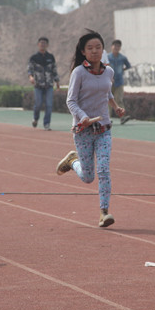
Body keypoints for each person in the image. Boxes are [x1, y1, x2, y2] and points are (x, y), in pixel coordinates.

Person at [56, 30, 125, 227]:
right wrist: (84, 118)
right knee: (87, 177)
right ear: (83, 52)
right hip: (83, 130)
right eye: (90, 48)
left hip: (104, 128)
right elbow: (71, 101)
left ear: (103, 50)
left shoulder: (108, 72)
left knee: (104, 170)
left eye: (98, 47)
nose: (94, 51)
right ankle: (73, 161)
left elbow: (106, 92)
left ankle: (104, 212)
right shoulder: (78, 73)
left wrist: (116, 107)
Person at [27, 37, 60, 130]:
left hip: (49, 85)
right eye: (41, 43)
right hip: (38, 85)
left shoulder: (50, 57)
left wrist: (57, 82)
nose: (43, 45)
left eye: (44, 43)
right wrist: (31, 77)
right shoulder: (34, 58)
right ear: (38, 45)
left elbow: (54, 70)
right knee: (38, 104)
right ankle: (35, 118)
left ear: (47, 45)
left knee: (49, 105)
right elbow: (30, 69)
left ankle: (46, 124)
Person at [107, 39, 132, 124]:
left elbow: (128, 66)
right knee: (108, 100)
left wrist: (122, 70)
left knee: (119, 100)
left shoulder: (122, 58)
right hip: (109, 82)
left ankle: (122, 117)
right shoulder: (107, 57)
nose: (116, 48)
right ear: (112, 47)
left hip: (119, 82)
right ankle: (107, 118)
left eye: (118, 46)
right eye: (115, 46)